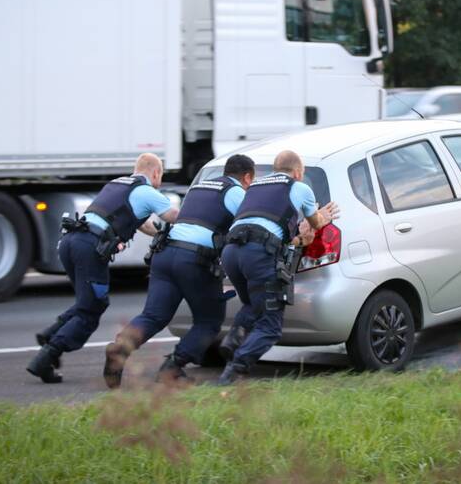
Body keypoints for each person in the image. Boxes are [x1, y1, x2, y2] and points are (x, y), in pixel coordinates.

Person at [102, 154, 256, 388]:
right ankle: (173, 367)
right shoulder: (236, 192)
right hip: (194, 259)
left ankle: (119, 350)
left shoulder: (199, 188)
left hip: (164, 254)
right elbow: (251, 225)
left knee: (154, 315)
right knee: (209, 321)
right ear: (247, 177)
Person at [26, 153, 177, 383]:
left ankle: (50, 334)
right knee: (92, 308)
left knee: (85, 301)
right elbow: (173, 215)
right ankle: (47, 355)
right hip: (89, 247)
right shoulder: (146, 191)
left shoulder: (118, 184)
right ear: (156, 173)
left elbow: (143, 224)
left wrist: (159, 234)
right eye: (161, 175)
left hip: (70, 241)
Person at [216, 150, 339, 385]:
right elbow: (315, 223)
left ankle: (232, 341)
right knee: (271, 326)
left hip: (231, 252)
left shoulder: (255, 186)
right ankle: (235, 369)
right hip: (258, 254)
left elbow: (269, 224)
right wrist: (322, 215)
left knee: (253, 303)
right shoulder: (300, 187)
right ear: (298, 172)